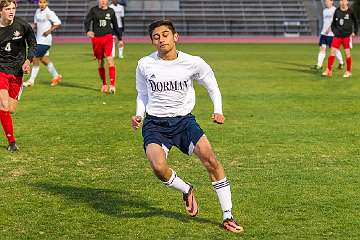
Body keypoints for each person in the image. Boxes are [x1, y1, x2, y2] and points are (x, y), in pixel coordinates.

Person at [131, 19, 243, 234]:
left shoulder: (193, 62)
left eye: (165, 34)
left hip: (184, 122)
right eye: (156, 36)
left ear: (175, 37)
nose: (161, 39)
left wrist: (218, 109)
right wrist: (138, 115)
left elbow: (212, 86)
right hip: (155, 124)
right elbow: (143, 94)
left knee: (211, 161)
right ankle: (186, 189)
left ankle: (228, 215)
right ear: (152, 41)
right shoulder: (144, 64)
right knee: (158, 167)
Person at [0, 0, 36, 151]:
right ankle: (12, 142)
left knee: (11, 109)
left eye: (13, 8)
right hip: (1, 70)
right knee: (3, 105)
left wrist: (28, 60)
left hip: (17, 72)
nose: (11, 11)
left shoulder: (22, 25)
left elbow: (33, 44)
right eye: (8, 8)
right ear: (0, 11)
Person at [84, 0, 121, 94]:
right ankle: (104, 84)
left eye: (105, 0)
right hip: (96, 39)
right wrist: (87, 31)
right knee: (100, 62)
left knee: (110, 59)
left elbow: (115, 25)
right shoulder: (93, 10)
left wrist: (120, 39)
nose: (103, 1)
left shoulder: (111, 11)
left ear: (107, 1)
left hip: (108, 38)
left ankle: (112, 85)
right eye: (101, 0)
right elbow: (87, 21)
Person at [23, 0, 62, 87]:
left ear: (47, 3)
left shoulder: (49, 12)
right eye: (40, 2)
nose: (42, 4)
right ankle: (56, 76)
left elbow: (58, 23)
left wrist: (48, 31)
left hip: (45, 40)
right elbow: (36, 25)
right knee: (44, 59)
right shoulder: (37, 12)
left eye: (44, 2)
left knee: (35, 57)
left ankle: (31, 81)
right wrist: (30, 28)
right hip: (38, 39)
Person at [323, 0, 358, 78]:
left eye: (344, 0)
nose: (342, 2)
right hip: (337, 36)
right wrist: (335, 31)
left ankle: (348, 71)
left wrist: (355, 31)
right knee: (332, 52)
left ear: (347, 2)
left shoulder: (350, 11)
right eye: (341, 0)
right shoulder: (337, 11)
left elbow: (355, 22)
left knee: (347, 53)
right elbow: (333, 23)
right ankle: (329, 70)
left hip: (346, 36)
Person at [314, 0, 344, 70]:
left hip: (332, 34)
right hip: (323, 33)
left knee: (335, 50)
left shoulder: (335, 10)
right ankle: (319, 65)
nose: (326, 3)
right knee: (322, 48)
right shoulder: (324, 11)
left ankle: (341, 62)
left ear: (332, 2)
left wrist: (330, 28)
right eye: (325, 2)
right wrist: (324, 30)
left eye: (327, 1)